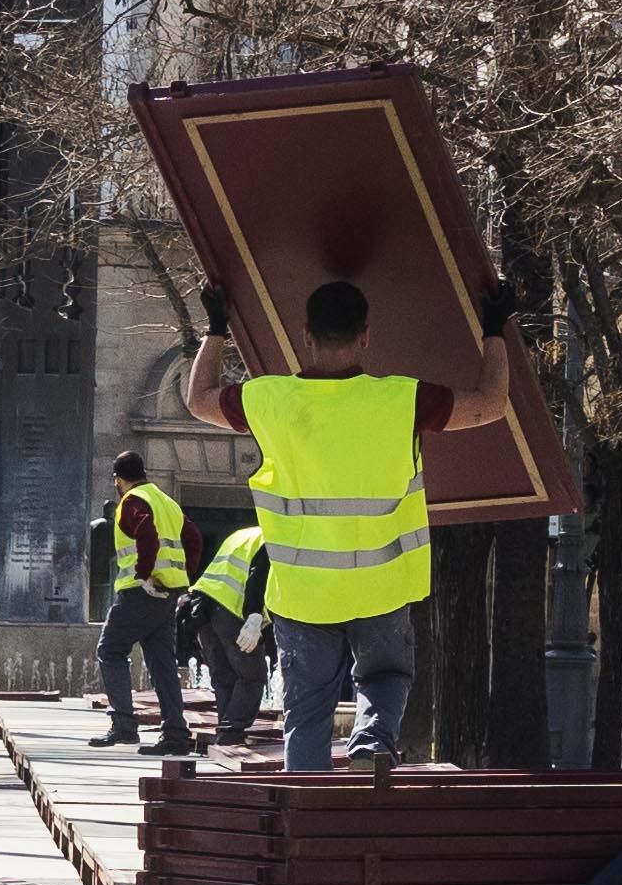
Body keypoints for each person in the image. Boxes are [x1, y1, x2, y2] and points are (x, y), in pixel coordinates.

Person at [182, 274, 514, 772]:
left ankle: (310, 812)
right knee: (383, 678)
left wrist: (216, 325)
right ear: (365, 336)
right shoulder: (403, 400)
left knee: (307, 708)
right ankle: (372, 750)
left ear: (306, 335)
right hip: (382, 584)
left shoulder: (270, 399)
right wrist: (495, 328)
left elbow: (199, 399)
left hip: (303, 590)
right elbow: (490, 404)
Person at [91, 450, 196, 756]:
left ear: (117, 480)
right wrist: (182, 577)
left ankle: (124, 725)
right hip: (168, 595)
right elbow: (193, 538)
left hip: (141, 593)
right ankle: (176, 733)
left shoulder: (131, 502)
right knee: (162, 663)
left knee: (110, 650)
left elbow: (146, 530)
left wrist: (144, 575)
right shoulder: (168, 503)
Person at [183, 521, 272, 748]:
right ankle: (231, 731)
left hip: (204, 606)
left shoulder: (243, 534)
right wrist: (254, 616)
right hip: (233, 611)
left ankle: (226, 731)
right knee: (253, 675)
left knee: (224, 676)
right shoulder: (273, 538)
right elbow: (258, 577)